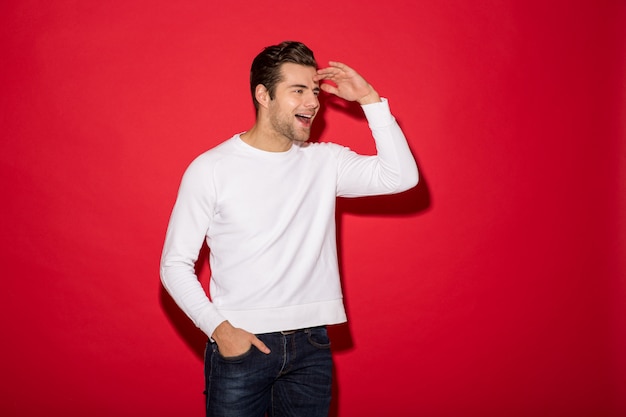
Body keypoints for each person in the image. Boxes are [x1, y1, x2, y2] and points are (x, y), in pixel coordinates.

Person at [160, 40, 419, 417]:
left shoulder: (325, 162)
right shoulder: (211, 168)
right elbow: (174, 264)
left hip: (311, 346)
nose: (312, 102)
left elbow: (401, 177)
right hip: (241, 346)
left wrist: (369, 99)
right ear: (263, 95)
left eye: (314, 91)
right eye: (297, 91)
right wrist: (221, 331)